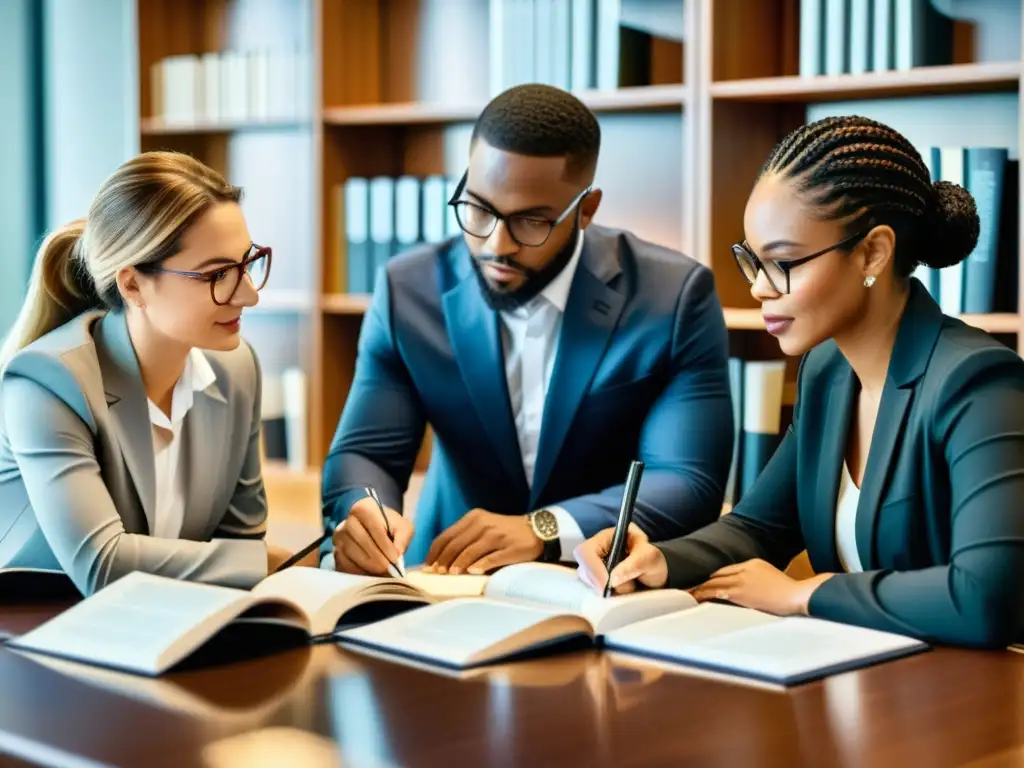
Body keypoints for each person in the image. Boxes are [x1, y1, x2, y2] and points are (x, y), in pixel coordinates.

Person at [574, 114, 1024, 649]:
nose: (761, 289)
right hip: (867, 678)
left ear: (872, 253)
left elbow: (986, 598)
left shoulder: (979, 384)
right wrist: (658, 560)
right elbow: (759, 529)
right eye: (753, 261)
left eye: (783, 262)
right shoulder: (828, 373)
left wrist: (804, 595)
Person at [321, 83, 734, 575]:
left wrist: (544, 528)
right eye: (478, 208)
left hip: (597, 586)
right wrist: (364, 511)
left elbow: (688, 481)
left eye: (531, 222)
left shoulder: (673, 296)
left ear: (586, 209)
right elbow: (366, 453)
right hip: (444, 579)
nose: (498, 244)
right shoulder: (408, 289)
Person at [0, 151, 290, 596]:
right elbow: (103, 564)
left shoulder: (237, 370)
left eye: (248, 263)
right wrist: (266, 562)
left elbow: (239, 541)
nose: (248, 295)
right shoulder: (46, 384)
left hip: (163, 627)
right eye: (218, 275)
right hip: (36, 638)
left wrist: (261, 560)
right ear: (133, 284)